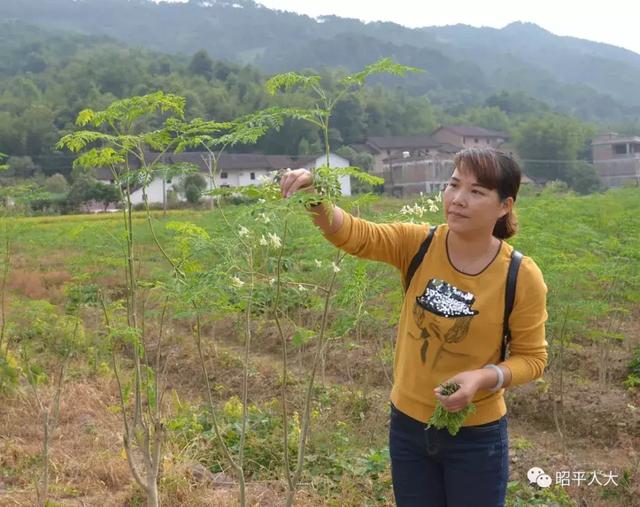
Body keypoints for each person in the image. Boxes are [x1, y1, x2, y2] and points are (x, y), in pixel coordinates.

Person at [280, 147, 548, 507]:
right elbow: (355, 234)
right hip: (408, 427)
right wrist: (315, 196)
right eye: (453, 185)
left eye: (476, 191)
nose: (458, 199)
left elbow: (532, 359)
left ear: (504, 205)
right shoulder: (418, 244)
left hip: (476, 436)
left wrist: (483, 378)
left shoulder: (520, 274)